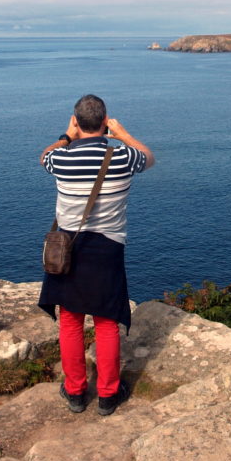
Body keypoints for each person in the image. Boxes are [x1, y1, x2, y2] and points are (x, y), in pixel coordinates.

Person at [37, 94, 154, 416]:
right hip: (107, 248)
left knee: (71, 320)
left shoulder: (60, 159)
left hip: (67, 248)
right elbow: (149, 157)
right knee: (105, 323)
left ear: (77, 122)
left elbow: (44, 156)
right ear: (105, 122)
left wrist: (66, 136)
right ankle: (107, 394)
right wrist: (122, 134)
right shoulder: (123, 157)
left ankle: (75, 391)